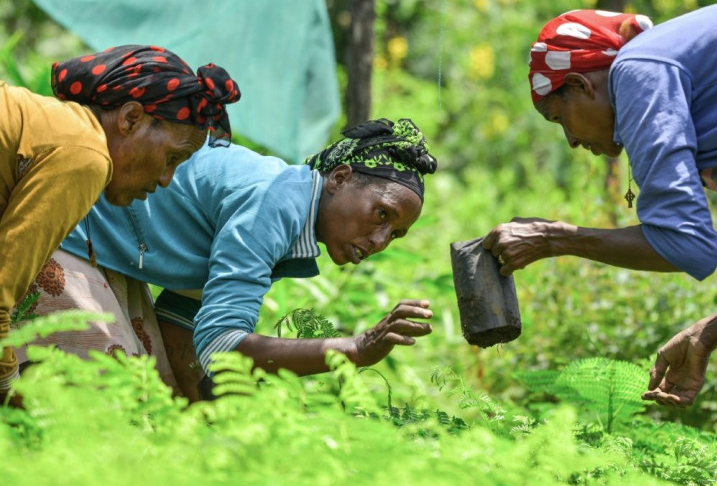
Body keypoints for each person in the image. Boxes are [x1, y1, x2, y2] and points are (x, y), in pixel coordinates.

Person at [15, 118, 437, 401]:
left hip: (105, 249)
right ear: (340, 179)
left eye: (395, 233)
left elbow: (184, 319)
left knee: (161, 398)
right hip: (66, 227)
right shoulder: (277, 205)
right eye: (382, 214)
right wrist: (354, 349)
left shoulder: (293, 211)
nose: (381, 239)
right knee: (122, 398)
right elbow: (222, 347)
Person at [482, 1, 717, 408]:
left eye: (558, 118)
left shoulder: (637, 70)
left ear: (582, 86)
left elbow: (690, 246)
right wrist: (710, 332)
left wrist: (554, 238)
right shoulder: (709, 104)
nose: (570, 140)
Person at [0, 44, 240, 403]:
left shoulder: (56, 128)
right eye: (172, 157)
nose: (166, 179)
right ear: (130, 119)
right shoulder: (85, 156)